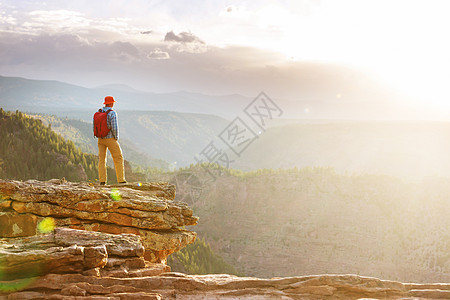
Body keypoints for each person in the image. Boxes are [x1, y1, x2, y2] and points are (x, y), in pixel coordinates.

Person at [94, 96, 126, 185]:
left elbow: (95, 126)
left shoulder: (98, 112)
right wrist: (116, 137)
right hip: (110, 138)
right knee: (118, 158)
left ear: (105, 103)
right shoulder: (112, 113)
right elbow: (114, 127)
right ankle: (121, 180)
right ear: (112, 103)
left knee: (101, 159)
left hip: (100, 139)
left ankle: (102, 181)